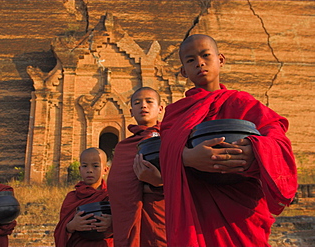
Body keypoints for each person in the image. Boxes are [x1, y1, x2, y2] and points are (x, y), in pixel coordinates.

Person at [159, 34, 298, 247]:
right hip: (197, 209)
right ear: (183, 71)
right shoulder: (176, 114)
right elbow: (166, 150)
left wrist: (256, 150)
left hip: (240, 212)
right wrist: (187, 157)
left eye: (206, 55)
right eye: (190, 60)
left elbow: (278, 138)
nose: (200, 63)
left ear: (220, 60)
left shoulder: (242, 102)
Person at [107, 87, 167, 247]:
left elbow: (185, 176)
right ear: (131, 110)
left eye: (149, 101)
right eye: (137, 103)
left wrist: (158, 183)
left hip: (161, 213)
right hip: (128, 217)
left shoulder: (170, 138)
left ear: (160, 108)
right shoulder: (123, 147)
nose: (143, 106)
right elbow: (115, 185)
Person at [54, 147, 113, 247]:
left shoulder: (111, 196)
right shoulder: (72, 197)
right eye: (85, 166)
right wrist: (72, 225)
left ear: (105, 170)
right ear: (79, 169)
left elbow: (125, 223)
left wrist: (111, 223)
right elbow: (61, 229)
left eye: (95, 166)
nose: (89, 170)